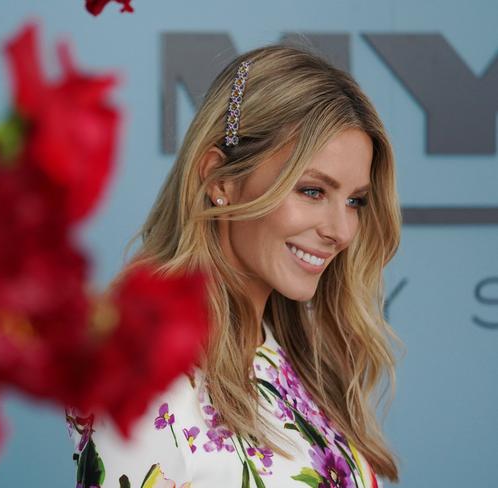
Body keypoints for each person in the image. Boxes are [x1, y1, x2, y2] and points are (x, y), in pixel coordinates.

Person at [66, 42, 402, 487]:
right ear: (219, 179)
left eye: (355, 200)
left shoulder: (294, 362)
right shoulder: (138, 372)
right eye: (313, 191)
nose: (341, 230)